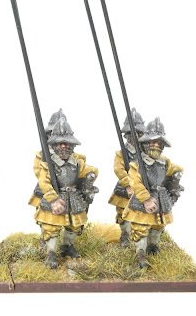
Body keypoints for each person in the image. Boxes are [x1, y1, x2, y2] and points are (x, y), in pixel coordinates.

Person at [33, 117, 98, 268]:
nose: (63, 147)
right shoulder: (48, 164)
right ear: (54, 145)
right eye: (60, 144)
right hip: (55, 198)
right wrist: (53, 200)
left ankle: (67, 247)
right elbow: (44, 182)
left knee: (74, 226)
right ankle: (51, 253)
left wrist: (88, 180)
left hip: (73, 198)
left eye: (67, 143)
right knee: (51, 227)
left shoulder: (77, 163)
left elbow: (92, 171)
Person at [122, 117, 184, 268]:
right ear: (146, 143)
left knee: (158, 226)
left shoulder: (164, 162)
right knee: (140, 228)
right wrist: (146, 199)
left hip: (160, 200)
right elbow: (135, 182)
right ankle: (141, 254)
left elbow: (175, 170)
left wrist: (176, 178)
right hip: (142, 201)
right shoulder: (138, 164)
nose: (156, 145)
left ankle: (152, 246)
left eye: (159, 143)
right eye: (153, 142)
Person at [107, 108, 145, 247]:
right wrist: (128, 185)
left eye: (139, 133)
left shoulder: (146, 152)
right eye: (131, 133)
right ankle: (125, 235)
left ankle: (144, 237)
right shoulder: (122, 153)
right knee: (123, 213)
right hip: (125, 188)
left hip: (143, 187)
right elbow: (118, 169)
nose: (135, 136)